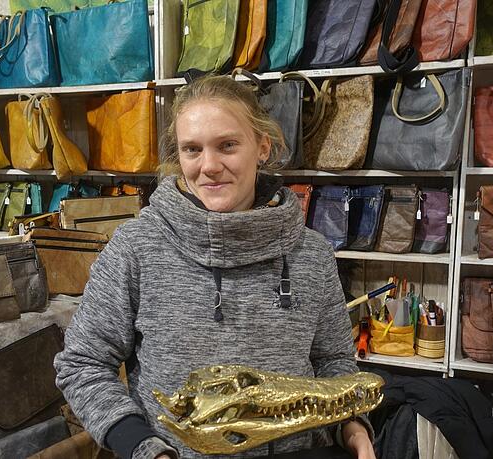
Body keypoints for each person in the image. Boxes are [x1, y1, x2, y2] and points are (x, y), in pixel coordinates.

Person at [54, 76, 375, 459]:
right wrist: (142, 446)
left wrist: (352, 425)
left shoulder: (311, 254)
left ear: (262, 147)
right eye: (192, 149)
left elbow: (333, 361)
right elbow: (83, 363)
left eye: (227, 145)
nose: (209, 166)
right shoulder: (136, 248)